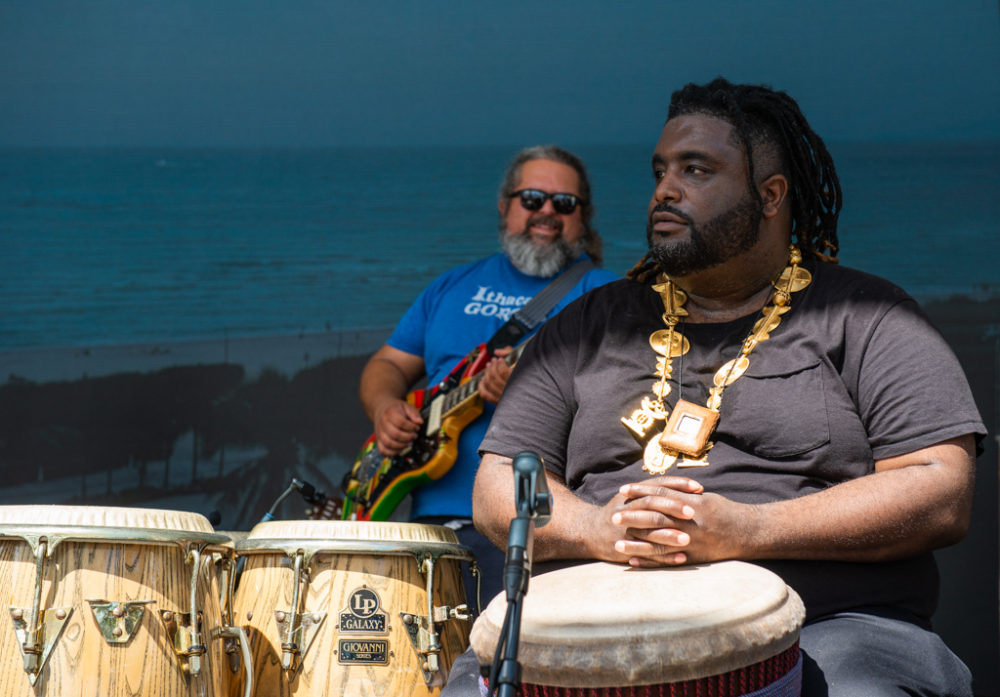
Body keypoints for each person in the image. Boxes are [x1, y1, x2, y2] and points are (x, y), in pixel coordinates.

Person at [450, 79, 986, 696]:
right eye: (661, 170)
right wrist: (597, 528)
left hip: (824, 628)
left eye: (696, 169)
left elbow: (940, 488)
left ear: (770, 195)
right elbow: (498, 485)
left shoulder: (869, 316)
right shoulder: (583, 326)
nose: (665, 189)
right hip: (587, 628)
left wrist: (749, 530)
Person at [358, 145, 618, 606]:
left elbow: (624, 394)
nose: (547, 212)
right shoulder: (450, 286)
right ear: (504, 206)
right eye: (532, 198)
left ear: (583, 217)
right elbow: (387, 365)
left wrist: (532, 390)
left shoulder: (606, 295)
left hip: (534, 528)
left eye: (564, 203)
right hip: (430, 527)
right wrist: (385, 408)